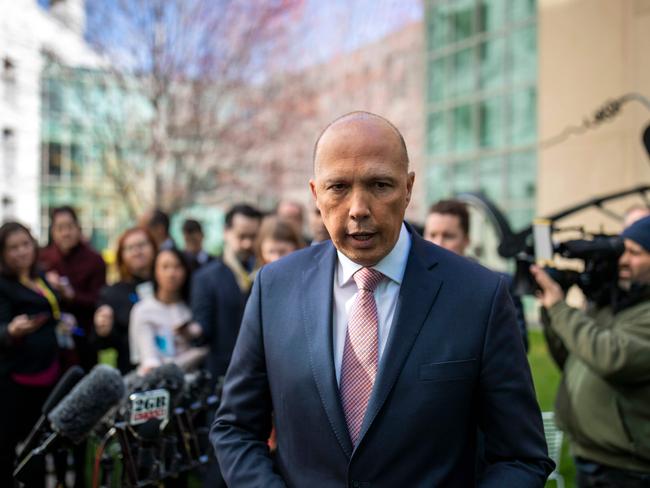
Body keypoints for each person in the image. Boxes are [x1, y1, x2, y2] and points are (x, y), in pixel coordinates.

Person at [211, 111, 553, 486]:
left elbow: (520, 456)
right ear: (315, 194)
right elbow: (236, 429)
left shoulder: (479, 296)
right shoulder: (274, 288)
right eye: (338, 187)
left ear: (408, 189)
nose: (358, 208)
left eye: (379, 185)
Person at [531, 215, 650, 487]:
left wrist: (560, 308)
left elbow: (610, 357)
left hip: (629, 472)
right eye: (622, 250)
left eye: (635, 252)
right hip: (589, 457)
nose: (622, 260)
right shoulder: (610, 304)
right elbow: (572, 356)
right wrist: (551, 309)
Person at [0, 222, 61, 487]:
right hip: (14, 380)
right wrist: (10, 331)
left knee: (38, 447)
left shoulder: (41, 277)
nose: (21, 252)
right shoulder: (2, 285)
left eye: (25, 244)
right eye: (13, 248)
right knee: (7, 444)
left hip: (47, 375)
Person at [424, 199, 529, 351]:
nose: (438, 243)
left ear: (466, 240)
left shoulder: (497, 284)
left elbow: (518, 345)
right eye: (432, 235)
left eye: (448, 236)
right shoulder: (410, 284)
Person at [40, 206, 106, 373]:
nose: (65, 233)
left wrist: (72, 295)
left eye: (69, 227)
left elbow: (99, 299)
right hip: (50, 339)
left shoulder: (94, 260)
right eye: (59, 228)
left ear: (78, 228)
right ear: (53, 231)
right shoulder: (43, 259)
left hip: (84, 336)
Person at [129, 248, 203, 375]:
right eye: (165, 267)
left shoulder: (192, 308)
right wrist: (200, 353)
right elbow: (149, 360)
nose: (171, 273)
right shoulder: (142, 310)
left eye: (177, 266)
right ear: (155, 271)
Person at [94, 227, 157, 374]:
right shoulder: (112, 293)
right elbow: (101, 344)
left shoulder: (167, 285)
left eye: (142, 245)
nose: (137, 252)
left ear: (154, 248)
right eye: (130, 248)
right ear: (121, 255)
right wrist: (103, 330)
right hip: (132, 372)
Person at [221, 204, 262, 295]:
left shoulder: (266, 270)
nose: (248, 244)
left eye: (253, 237)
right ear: (225, 232)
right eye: (241, 236)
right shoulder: (207, 279)